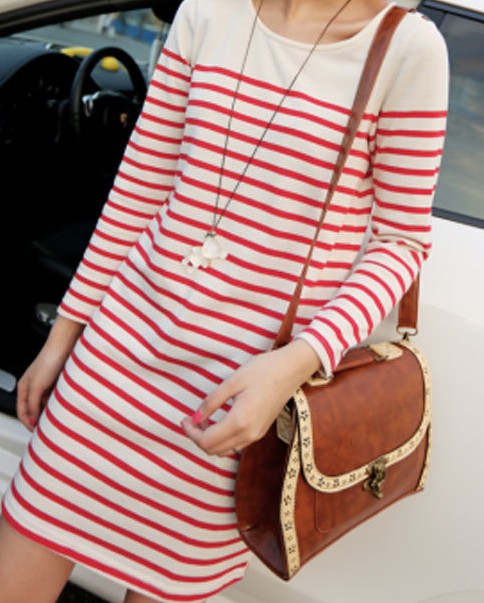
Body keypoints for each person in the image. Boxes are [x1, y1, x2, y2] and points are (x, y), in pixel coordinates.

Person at [0, 0, 448, 602]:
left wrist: (292, 365)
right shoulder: (207, 11)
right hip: (116, 359)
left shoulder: (405, 48)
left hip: (240, 395)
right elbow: (141, 187)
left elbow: (401, 242)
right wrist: (66, 333)